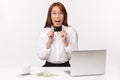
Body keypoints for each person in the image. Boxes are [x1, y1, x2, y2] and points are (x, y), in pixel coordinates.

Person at [38, 2, 78, 67]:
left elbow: (75, 56)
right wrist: (49, 41)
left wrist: (65, 41)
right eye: (54, 13)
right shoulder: (44, 32)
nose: (57, 16)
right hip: (48, 66)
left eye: (60, 13)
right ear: (50, 16)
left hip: (66, 66)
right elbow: (41, 56)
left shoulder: (71, 31)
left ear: (64, 15)